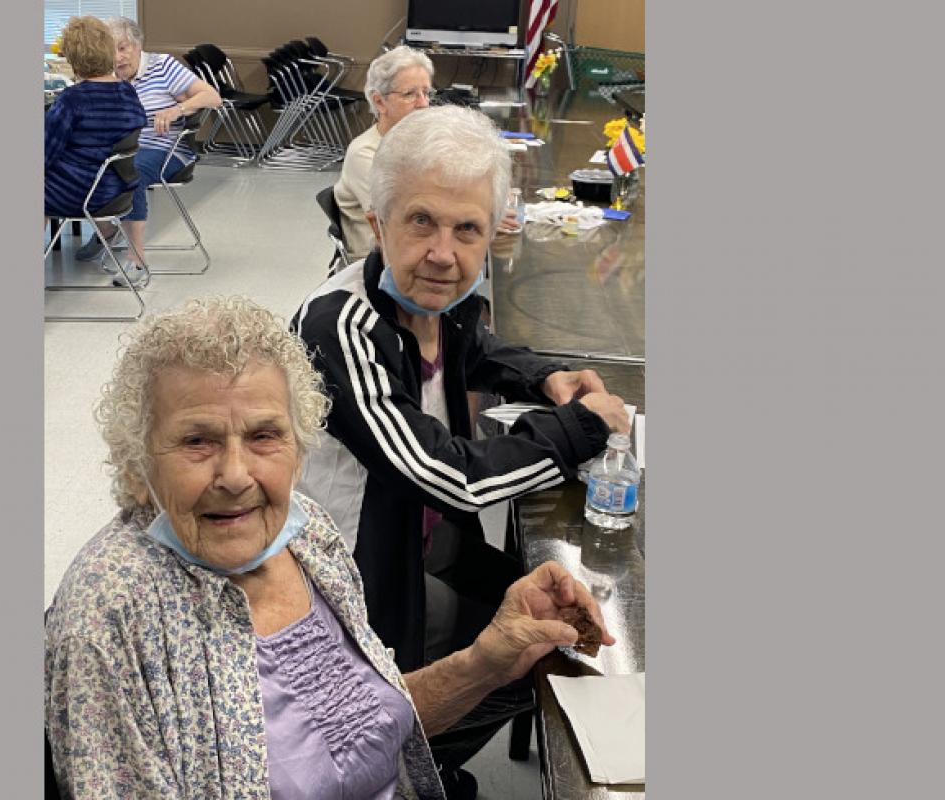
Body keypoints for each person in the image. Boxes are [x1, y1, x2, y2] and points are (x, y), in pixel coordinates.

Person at [44, 296, 614, 799]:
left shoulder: (305, 531)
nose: (237, 475)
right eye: (197, 441)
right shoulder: (110, 612)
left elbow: (367, 724)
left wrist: (487, 660)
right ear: (138, 461)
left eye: (265, 435)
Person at [294, 104, 631, 792]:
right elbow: (444, 475)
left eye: (466, 229)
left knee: (558, 643)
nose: (443, 253)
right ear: (379, 223)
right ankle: (411, 764)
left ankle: (429, 757)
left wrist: (543, 374)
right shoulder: (339, 323)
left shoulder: (435, 301)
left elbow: (478, 346)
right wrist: (583, 428)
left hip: (425, 551)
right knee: (525, 662)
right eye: (421, 221)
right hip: (351, 588)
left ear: (490, 237)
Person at [72, 16, 222, 287]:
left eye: (123, 48)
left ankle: (136, 260)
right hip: (115, 150)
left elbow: (213, 96)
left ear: (138, 45)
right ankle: (107, 231)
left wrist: (177, 109)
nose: (117, 58)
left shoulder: (162, 65)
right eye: (111, 50)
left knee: (132, 172)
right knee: (74, 168)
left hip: (165, 148)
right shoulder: (108, 74)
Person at [44, 17, 148, 237]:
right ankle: (108, 231)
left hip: (83, 192)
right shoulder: (127, 91)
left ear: (73, 59)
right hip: (117, 189)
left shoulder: (72, 99)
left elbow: (46, 153)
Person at [333, 46, 434, 262]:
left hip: (415, 245)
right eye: (410, 94)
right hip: (378, 261)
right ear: (379, 102)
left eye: (426, 93)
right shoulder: (365, 153)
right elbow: (400, 218)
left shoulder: (419, 143)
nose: (423, 104)